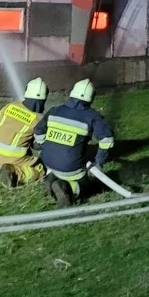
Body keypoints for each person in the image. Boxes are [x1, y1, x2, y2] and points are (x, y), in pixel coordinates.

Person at [35, 79, 115, 207]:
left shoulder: (55, 110)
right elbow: (106, 140)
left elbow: (38, 130)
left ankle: (51, 179)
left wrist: (45, 145)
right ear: (91, 97)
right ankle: (69, 187)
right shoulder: (93, 116)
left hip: (47, 162)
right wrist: (99, 162)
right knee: (86, 186)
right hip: (70, 167)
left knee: (60, 165)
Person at [0, 77, 49, 188]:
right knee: (41, 169)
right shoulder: (39, 119)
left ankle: (4, 166)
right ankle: (17, 175)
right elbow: (40, 145)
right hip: (14, 157)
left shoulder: (10, 106)